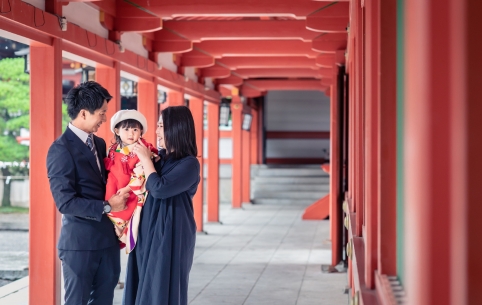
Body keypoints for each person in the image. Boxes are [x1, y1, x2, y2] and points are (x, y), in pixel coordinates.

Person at [46, 81, 129, 305]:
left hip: (107, 241)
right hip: (79, 245)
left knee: (104, 300)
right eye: (102, 113)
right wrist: (108, 206)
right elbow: (65, 203)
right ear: (83, 113)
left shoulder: (100, 143)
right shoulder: (60, 149)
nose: (104, 119)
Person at [123, 106, 200, 305]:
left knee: (161, 284)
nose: (156, 132)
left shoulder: (189, 164)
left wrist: (145, 160)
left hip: (172, 233)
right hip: (148, 229)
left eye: (161, 126)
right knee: (142, 282)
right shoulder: (160, 159)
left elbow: (159, 188)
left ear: (177, 129)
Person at [104, 110, 158, 253]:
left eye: (135, 129)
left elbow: (141, 174)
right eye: (126, 129)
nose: (131, 133)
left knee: (127, 209)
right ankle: (118, 229)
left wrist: (128, 189)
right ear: (117, 130)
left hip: (131, 189)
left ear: (141, 132)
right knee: (110, 201)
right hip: (114, 184)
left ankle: (122, 230)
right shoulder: (113, 149)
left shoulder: (142, 148)